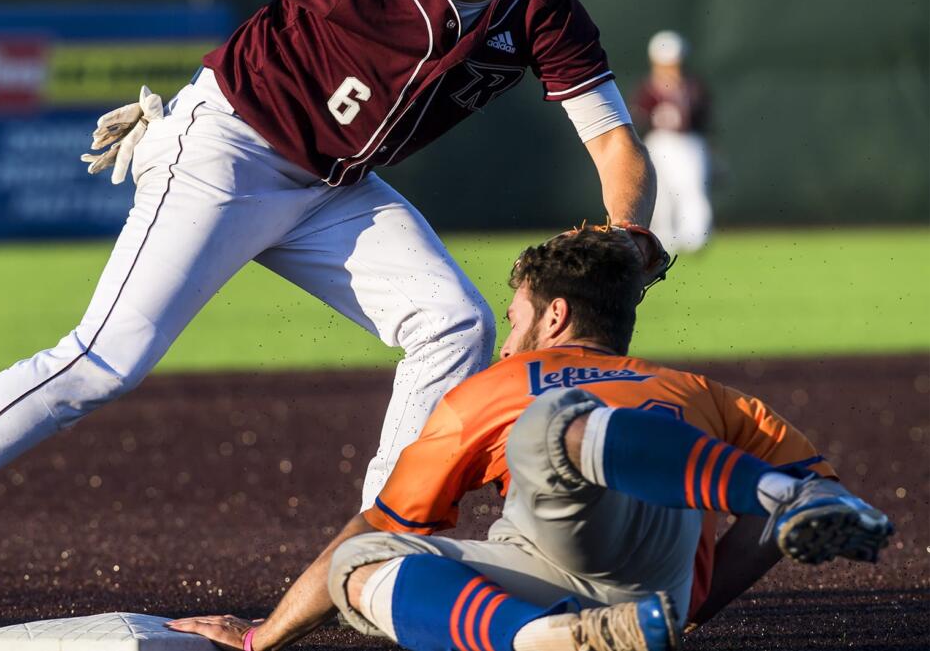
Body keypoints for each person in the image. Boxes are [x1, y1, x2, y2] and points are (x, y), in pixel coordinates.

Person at [0, 0, 663, 644]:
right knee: (102, 359)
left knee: (455, 322)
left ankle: (372, 559)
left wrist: (628, 230)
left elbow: (613, 139)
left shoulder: (537, 1)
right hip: (228, 151)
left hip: (333, 186)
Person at [168, 227, 892, 651]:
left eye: (515, 316)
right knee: (359, 565)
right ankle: (542, 638)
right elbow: (806, 493)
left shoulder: (494, 389)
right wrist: (694, 602)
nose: (508, 333)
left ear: (554, 317)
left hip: (574, 547)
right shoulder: (696, 390)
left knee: (547, 426)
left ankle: (770, 493)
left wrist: (267, 636)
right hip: (646, 590)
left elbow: (382, 516)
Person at [631, 30, 713, 253]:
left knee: (691, 187)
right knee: (661, 192)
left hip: (688, 141)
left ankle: (695, 236)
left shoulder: (693, 86)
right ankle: (663, 237)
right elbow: (639, 118)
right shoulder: (648, 87)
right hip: (658, 141)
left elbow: (704, 118)